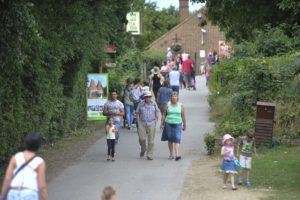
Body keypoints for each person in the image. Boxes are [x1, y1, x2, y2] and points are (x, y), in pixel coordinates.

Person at [0, 133, 48, 200]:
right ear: (39, 145)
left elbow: (7, 179)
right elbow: (42, 186)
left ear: (25, 143)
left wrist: (2, 196)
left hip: (13, 192)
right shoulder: (39, 162)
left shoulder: (15, 158)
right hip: (29, 194)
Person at [160, 92, 186, 161]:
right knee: (170, 139)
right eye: (172, 96)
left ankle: (177, 155)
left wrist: (185, 125)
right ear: (171, 98)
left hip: (178, 124)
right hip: (168, 123)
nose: (174, 98)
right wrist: (161, 123)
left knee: (177, 138)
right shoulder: (167, 105)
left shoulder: (181, 106)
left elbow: (183, 116)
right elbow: (164, 115)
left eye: (175, 96)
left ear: (177, 98)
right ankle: (171, 154)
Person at [136, 91, 160, 160]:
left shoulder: (153, 103)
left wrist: (156, 119)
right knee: (142, 139)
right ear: (144, 98)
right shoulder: (140, 104)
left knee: (151, 141)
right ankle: (143, 149)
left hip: (151, 123)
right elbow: (137, 112)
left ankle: (149, 155)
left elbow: (157, 111)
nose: (148, 98)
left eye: (149, 97)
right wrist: (138, 121)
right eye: (146, 97)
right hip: (142, 123)